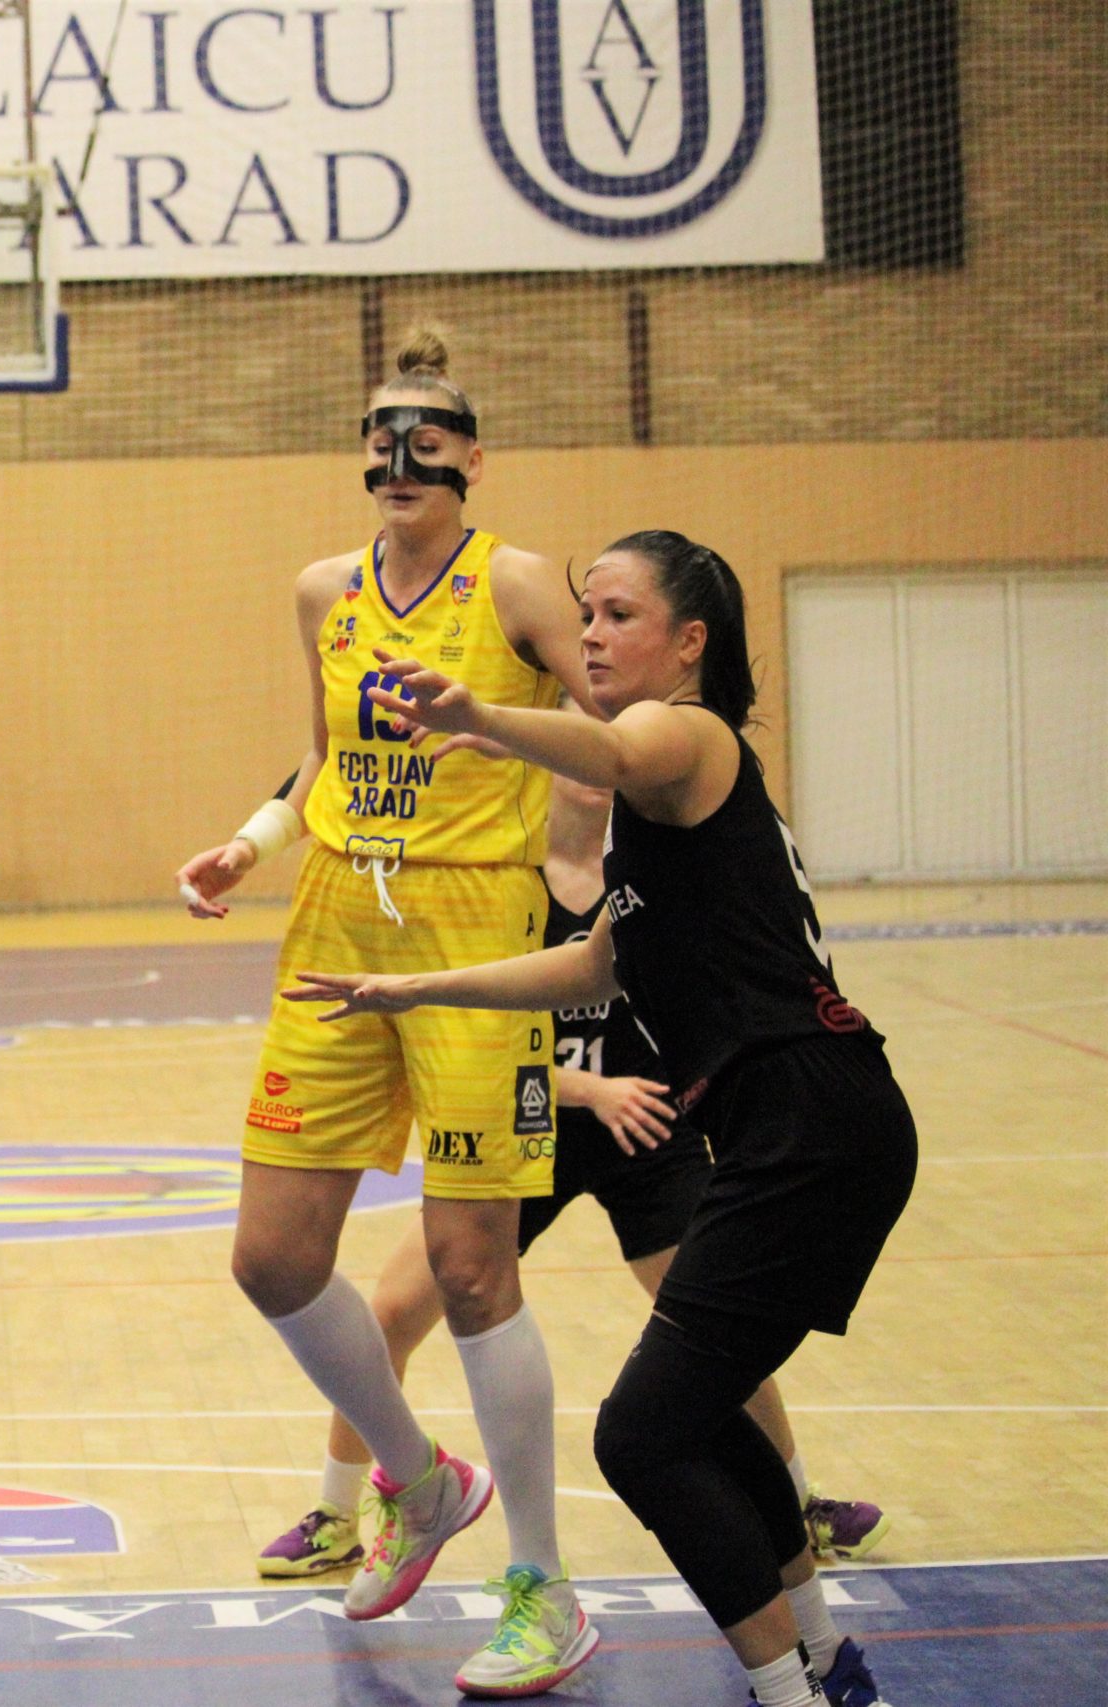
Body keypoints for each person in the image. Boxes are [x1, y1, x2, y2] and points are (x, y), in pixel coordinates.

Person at [289, 530, 917, 1707]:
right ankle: (825, 1665)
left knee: (639, 1439)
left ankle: (791, 1688)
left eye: (618, 615)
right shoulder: (652, 809)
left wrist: (482, 716)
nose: (589, 634)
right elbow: (591, 968)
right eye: (585, 615)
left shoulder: (687, 735)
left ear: (689, 643)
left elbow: (611, 747)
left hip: (812, 1126)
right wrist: (415, 989)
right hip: (787, 1132)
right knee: (701, 1413)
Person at [177, 328, 603, 1697]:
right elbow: (321, 757)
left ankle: (544, 1587)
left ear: (473, 456)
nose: (399, 453)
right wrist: (250, 842)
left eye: (427, 433)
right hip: (336, 924)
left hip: (479, 929)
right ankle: (418, 1482)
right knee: (271, 1259)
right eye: (381, 433)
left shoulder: (518, 582)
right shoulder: (325, 590)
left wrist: (582, 852)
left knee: (472, 1268)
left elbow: (610, 724)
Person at [258, 773, 888, 1583]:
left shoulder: (643, 872)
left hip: (647, 1131)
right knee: (392, 1311)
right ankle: (336, 1512)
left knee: (711, 1326)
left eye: (602, 758)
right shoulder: (507, 884)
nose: (592, 774)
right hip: (528, 1119)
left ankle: (799, 1503)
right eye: (575, 752)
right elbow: (468, 1033)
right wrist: (590, 1089)